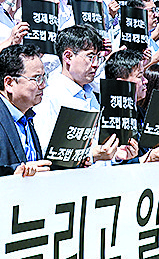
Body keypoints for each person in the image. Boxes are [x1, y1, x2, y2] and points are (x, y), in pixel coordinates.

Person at [33, 25, 120, 165]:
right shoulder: (49, 96)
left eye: (98, 57)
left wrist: (116, 156)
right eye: (90, 57)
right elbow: (44, 151)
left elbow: (98, 149)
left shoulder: (91, 95)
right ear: (68, 57)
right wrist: (90, 156)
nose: (96, 64)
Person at [0, 44, 50, 178]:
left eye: (44, 77)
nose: (43, 85)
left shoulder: (27, 116)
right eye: (37, 78)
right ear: (9, 83)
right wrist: (16, 171)